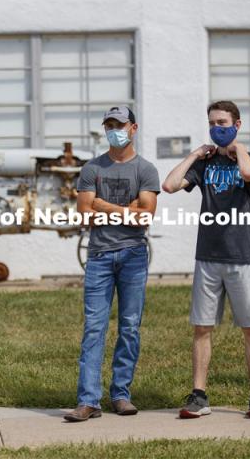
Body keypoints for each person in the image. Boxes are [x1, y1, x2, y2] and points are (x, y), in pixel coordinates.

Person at [162, 100, 250, 419]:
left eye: (222, 122)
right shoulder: (204, 165)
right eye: (212, 123)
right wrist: (195, 154)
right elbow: (169, 185)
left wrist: (240, 147)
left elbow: (249, 174)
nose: (216, 128)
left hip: (241, 256)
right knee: (202, 327)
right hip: (207, 255)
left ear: (237, 124)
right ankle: (199, 396)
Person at [64, 105, 160, 422]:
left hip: (133, 255)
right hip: (100, 257)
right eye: (109, 125)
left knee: (129, 327)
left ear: (133, 128)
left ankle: (121, 394)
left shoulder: (145, 170)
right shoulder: (92, 169)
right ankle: (88, 400)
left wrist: (103, 204)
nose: (114, 130)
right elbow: (83, 214)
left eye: (119, 124)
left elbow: (145, 217)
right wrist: (124, 209)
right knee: (94, 328)